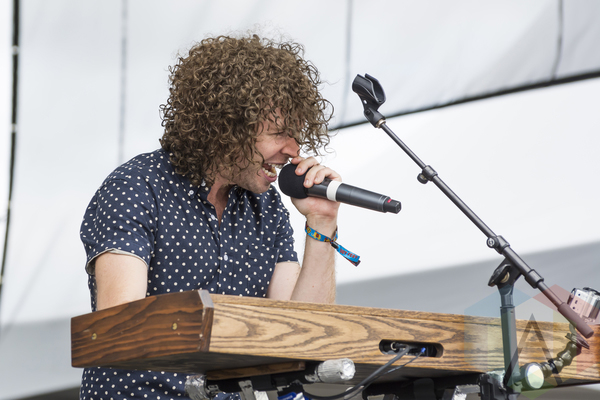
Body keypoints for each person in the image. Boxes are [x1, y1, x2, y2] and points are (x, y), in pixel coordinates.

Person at [79, 34, 340, 400]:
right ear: (226, 128)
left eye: (296, 135)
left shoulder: (267, 206)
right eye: (279, 133)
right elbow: (121, 327)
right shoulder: (136, 187)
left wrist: (322, 222)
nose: (293, 150)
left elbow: (304, 334)